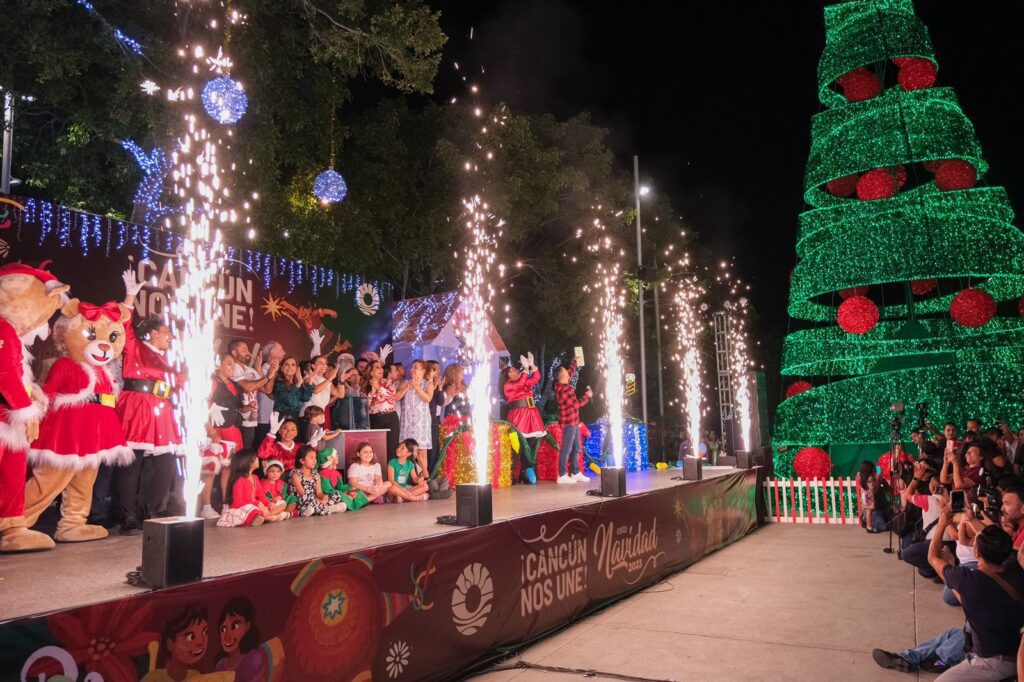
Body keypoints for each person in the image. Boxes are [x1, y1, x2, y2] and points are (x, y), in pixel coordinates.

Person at [874, 511, 1024, 678]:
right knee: (953, 634)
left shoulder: (968, 580)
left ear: (977, 553)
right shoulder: (1014, 569)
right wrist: (953, 565)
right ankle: (908, 657)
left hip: (995, 661)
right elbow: (966, 598)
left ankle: (941, 659)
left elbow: (933, 557)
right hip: (1014, 646)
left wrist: (942, 523)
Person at [116, 270, 184, 534]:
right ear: (151, 334)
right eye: (165, 332)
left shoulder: (168, 360)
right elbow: (123, 326)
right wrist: (130, 296)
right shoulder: (135, 346)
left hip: (161, 410)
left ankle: (151, 509)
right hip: (137, 407)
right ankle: (128, 516)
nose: (169, 336)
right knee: (132, 465)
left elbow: (180, 382)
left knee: (166, 466)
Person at [199, 353, 246, 519]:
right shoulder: (212, 382)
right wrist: (211, 432)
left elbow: (235, 407)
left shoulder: (234, 385)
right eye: (228, 364)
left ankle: (225, 503)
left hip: (233, 430)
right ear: (218, 364)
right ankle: (206, 506)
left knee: (228, 469)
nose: (231, 367)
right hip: (217, 430)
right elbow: (202, 405)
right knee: (210, 468)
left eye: (233, 364)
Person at [899, 461, 949, 579]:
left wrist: (915, 478)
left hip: (934, 541)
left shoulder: (929, 499)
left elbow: (907, 495)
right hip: (951, 542)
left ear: (932, 487)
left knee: (906, 554)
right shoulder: (953, 499)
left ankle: (936, 569)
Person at [502, 352, 545, 483]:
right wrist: (526, 370)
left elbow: (536, 378)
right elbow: (519, 384)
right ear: (509, 374)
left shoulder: (524, 381)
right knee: (518, 446)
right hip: (519, 416)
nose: (518, 370)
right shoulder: (509, 385)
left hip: (531, 415)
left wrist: (532, 366)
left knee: (531, 443)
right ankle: (512, 474)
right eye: (514, 370)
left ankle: (525, 471)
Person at [142, 604, 209, 682]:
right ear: (170, 644)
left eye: (205, 632)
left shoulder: (196, 677)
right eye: (191, 637)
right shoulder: (154, 678)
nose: (201, 642)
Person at [552, 356, 592, 485]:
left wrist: (575, 360)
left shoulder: (564, 382)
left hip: (574, 422)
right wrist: (587, 396)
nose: (568, 372)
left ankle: (575, 472)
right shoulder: (563, 389)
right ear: (561, 376)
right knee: (567, 449)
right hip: (569, 423)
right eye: (565, 371)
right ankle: (562, 475)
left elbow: (571, 370)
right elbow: (575, 404)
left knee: (576, 448)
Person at [228, 340, 273, 449]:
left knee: (247, 452)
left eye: (248, 349)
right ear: (234, 353)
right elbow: (248, 387)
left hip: (251, 420)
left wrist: (265, 372)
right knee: (239, 454)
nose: (248, 353)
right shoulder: (232, 368)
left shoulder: (250, 370)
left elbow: (266, 389)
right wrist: (267, 377)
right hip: (238, 419)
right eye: (244, 350)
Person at [217, 449, 277, 527]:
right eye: (256, 458)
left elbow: (261, 496)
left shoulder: (255, 477)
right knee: (251, 509)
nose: (258, 458)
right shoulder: (239, 480)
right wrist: (257, 504)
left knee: (281, 503)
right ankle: (269, 517)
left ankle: (265, 516)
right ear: (248, 462)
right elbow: (237, 503)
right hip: (242, 508)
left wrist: (268, 504)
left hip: (256, 507)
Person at [214, 597, 271, 678]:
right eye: (223, 629)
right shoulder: (219, 666)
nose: (227, 636)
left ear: (247, 626)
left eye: (234, 626)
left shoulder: (252, 659)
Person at [398, 360, 434, 478]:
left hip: (421, 422)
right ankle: (411, 478)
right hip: (407, 422)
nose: (412, 370)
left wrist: (417, 387)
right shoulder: (405, 383)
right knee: (407, 450)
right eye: (412, 367)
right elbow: (397, 397)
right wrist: (408, 387)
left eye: (415, 368)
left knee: (421, 451)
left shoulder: (428, 383)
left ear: (423, 371)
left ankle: (425, 476)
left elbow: (427, 398)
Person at [365, 360, 406, 463]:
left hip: (390, 418)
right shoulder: (366, 385)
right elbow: (369, 404)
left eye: (381, 367)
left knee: (391, 448)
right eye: (377, 367)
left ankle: (390, 475)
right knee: (376, 449)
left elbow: (393, 396)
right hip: (374, 419)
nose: (381, 369)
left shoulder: (387, 382)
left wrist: (378, 387)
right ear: (371, 372)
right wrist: (373, 391)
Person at [289, 445, 346, 516]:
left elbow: (319, 492)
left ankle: (324, 508)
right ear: (302, 461)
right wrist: (318, 500)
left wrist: (323, 497)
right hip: (303, 501)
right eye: (311, 458)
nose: (314, 461)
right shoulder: (296, 475)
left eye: (315, 458)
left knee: (337, 495)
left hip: (316, 501)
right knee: (308, 501)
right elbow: (302, 494)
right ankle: (328, 508)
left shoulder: (316, 474)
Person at [253, 341, 283, 445]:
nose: (284, 352)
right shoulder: (261, 370)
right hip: (264, 417)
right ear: (273, 352)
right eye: (281, 349)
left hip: (271, 418)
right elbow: (269, 391)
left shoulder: (274, 371)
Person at [270, 356, 314, 420]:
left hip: (295, 416)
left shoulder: (296, 383)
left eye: (293, 365)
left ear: (297, 369)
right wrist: (298, 383)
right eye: (287, 365)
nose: (290, 367)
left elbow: (305, 398)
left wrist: (310, 381)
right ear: (281, 368)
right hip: (281, 417)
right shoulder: (279, 383)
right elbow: (289, 401)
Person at [387, 438, 430, 502]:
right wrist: (403, 490)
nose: (398, 449)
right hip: (397, 488)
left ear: (408, 453)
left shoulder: (410, 464)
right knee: (392, 488)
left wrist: (419, 480)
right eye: (399, 447)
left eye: (402, 448)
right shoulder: (392, 462)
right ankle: (414, 498)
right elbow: (391, 481)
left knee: (425, 486)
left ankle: (403, 499)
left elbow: (415, 478)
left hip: (406, 489)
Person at [300, 354, 339, 420]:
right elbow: (315, 390)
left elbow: (339, 394)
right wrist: (330, 378)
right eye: (321, 363)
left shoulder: (325, 380)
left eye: (325, 363)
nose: (324, 365)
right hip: (308, 415)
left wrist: (341, 381)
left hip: (320, 415)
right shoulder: (308, 377)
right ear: (313, 366)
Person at [857, 460, 890, 533]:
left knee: (870, 511)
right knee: (870, 512)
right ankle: (868, 525)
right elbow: (873, 491)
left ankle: (869, 526)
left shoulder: (862, 478)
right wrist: (878, 481)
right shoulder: (870, 479)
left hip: (867, 498)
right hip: (870, 497)